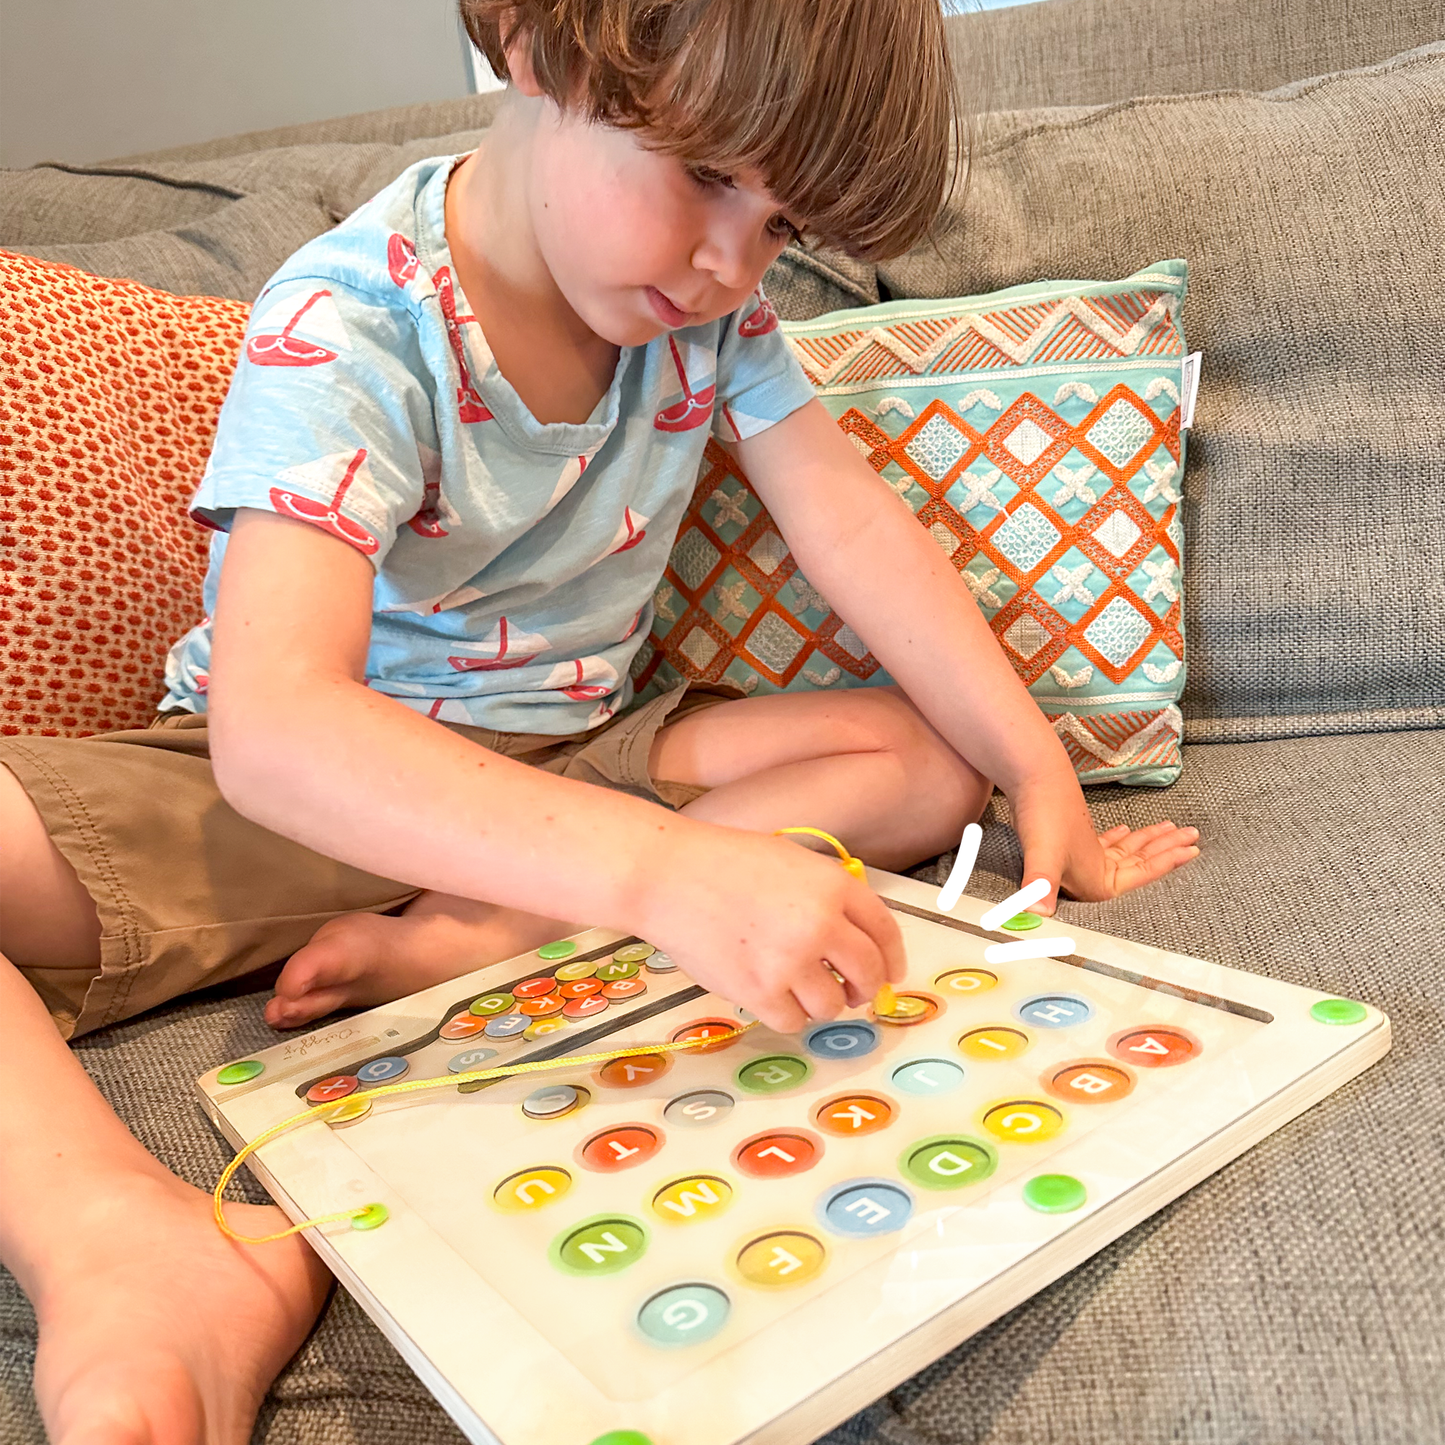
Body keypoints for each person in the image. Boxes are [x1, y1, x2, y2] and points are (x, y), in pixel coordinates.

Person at [0, 1, 1201, 1439]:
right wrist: (659, 873)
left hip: (580, 740)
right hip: (314, 775)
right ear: (530, 42)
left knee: (914, 764)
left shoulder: (715, 322)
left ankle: (474, 932)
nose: (728, 264)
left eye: (775, 228)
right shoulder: (351, 321)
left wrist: (1027, 764)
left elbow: (852, 528)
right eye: (707, 179)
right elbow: (275, 727)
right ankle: (117, 1237)